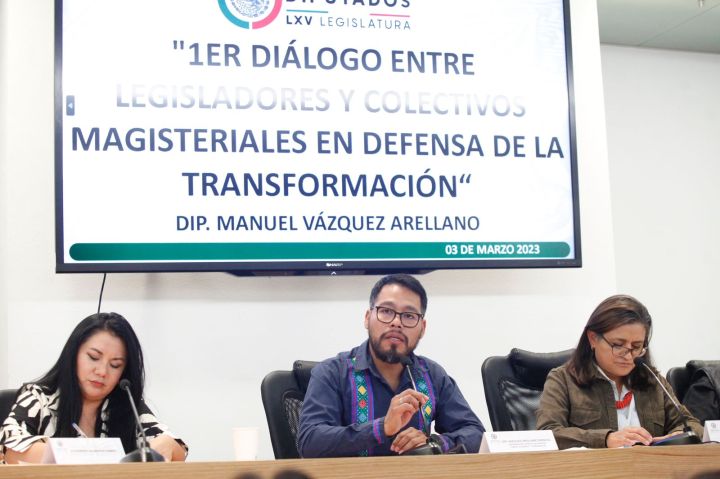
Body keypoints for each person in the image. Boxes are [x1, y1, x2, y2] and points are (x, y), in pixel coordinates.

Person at [298, 273, 485, 457]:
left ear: (422, 328)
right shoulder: (332, 373)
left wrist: (435, 443)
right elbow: (310, 442)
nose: (396, 323)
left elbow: (476, 434)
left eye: (409, 315)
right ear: (367, 318)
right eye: (386, 311)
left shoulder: (431, 374)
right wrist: (381, 428)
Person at [0, 312, 187, 463]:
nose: (102, 371)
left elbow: (177, 451)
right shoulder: (39, 397)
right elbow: (10, 449)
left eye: (115, 365)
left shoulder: (128, 404)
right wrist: (89, 455)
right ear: (73, 354)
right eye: (93, 357)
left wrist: (165, 444)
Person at [536, 294, 703, 449]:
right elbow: (548, 433)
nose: (628, 356)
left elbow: (692, 424)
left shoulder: (652, 380)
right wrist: (605, 439)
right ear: (593, 338)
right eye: (618, 345)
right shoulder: (563, 380)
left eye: (636, 347)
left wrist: (678, 435)